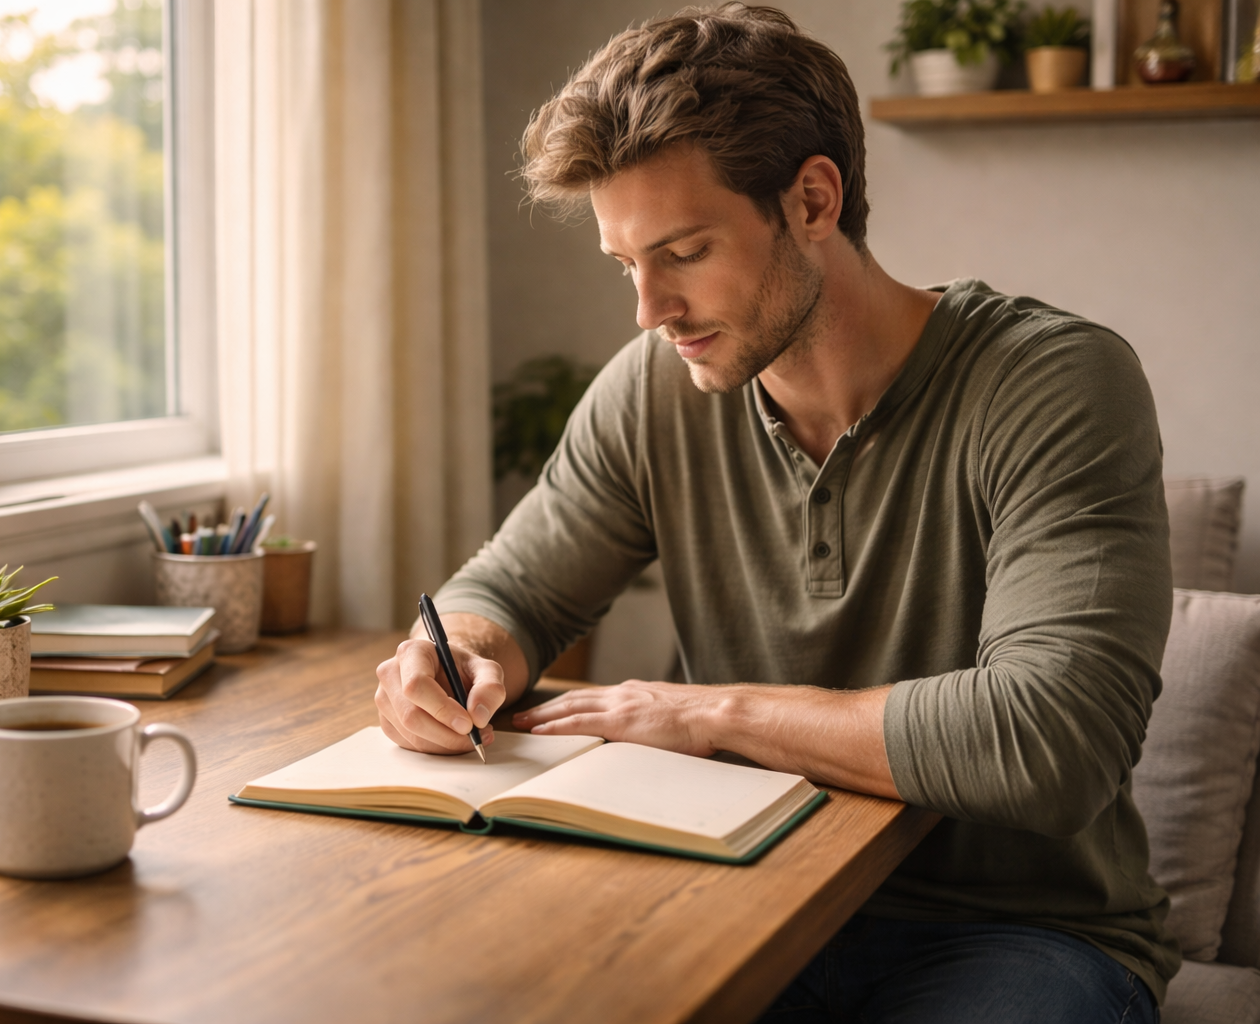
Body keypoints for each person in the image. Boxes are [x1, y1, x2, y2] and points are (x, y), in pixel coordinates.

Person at [373, 5, 1178, 1021]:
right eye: (626, 264)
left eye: (685, 251)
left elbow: (1050, 740)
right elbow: (515, 587)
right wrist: (455, 653)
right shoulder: (652, 391)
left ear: (812, 199)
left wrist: (709, 713)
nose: (648, 309)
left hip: (1013, 929)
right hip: (740, 887)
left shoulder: (1051, 384)